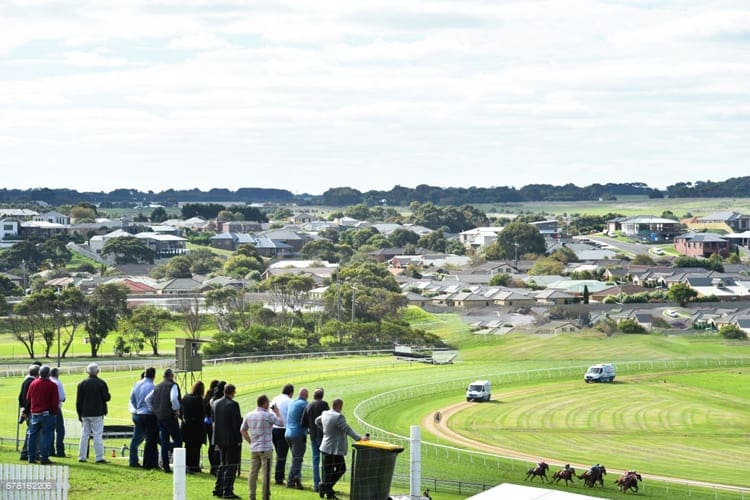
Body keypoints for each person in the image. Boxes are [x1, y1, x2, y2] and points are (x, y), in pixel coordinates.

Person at [315, 398, 369, 499]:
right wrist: (359, 438)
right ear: (340, 406)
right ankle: (325, 487)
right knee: (341, 469)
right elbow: (347, 429)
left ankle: (328, 491)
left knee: (328, 471)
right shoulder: (339, 417)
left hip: (325, 447)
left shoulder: (325, 413)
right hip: (334, 449)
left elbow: (317, 421)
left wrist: (325, 432)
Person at [240, 394, 282, 500]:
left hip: (254, 448)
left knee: (253, 473)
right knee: (266, 475)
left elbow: (242, 430)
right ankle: (265, 497)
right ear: (265, 403)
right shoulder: (268, 415)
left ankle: (252, 496)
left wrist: (251, 441)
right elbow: (281, 423)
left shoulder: (249, 414)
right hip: (266, 449)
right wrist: (276, 411)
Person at [146, 368, 182, 473]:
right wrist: (177, 410)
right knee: (178, 440)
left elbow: (147, 399)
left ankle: (166, 466)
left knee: (164, 442)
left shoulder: (157, 386)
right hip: (170, 417)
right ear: (172, 376)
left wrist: (155, 410)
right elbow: (174, 399)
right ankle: (178, 465)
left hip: (160, 418)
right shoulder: (173, 385)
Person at [76, 362, 111, 464]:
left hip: (85, 413)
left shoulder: (81, 384)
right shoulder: (101, 383)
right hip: (97, 412)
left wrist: (79, 415)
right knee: (97, 435)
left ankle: (82, 456)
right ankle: (99, 457)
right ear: (97, 371)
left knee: (84, 435)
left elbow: (78, 401)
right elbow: (106, 397)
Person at [212, 384, 242, 499]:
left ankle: (218, 488)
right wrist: (239, 439)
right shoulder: (233, 405)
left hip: (219, 439)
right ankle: (227, 491)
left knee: (222, 464)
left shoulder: (216, 403)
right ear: (232, 392)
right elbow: (236, 425)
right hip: (231, 440)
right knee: (231, 466)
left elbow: (214, 422)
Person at [26, 365, 59, 465]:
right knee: (46, 435)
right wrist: (54, 412)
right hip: (47, 414)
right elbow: (55, 402)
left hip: (35, 413)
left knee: (32, 436)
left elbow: (28, 398)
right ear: (49, 374)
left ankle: (31, 457)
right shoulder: (52, 385)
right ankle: (44, 457)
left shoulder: (33, 383)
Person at [129, 367, 158, 469]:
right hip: (148, 414)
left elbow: (132, 399)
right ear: (154, 376)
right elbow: (150, 401)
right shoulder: (152, 386)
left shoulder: (137, 384)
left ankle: (133, 460)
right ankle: (150, 462)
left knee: (136, 439)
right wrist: (153, 410)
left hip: (138, 414)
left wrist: (137, 408)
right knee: (151, 439)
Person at [302, 388, 329, 493]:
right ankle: (324, 484)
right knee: (325, 461)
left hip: (313, 435)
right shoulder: (324, 405)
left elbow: (303, 422)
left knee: (316, 460)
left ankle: (316, 484)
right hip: (323, 436)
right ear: (322, 396)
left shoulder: (308, 405)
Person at [284, 387, 309, 489]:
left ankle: (297, 479)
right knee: (297, 459)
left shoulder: (292, 403)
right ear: (306, 396)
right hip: (298, 434)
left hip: (288, 433)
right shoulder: (305, 404)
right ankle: (290, 482)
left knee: (296, 458)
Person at [181, 380, 207, 473]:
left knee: (187, 446)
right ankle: (194, 466)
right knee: (196, 448)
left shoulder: (185, 397)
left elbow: (181, 410)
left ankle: (186, 464)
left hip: (186, 425)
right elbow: (202, 414)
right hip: (196, 427)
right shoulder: (199, 400)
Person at [270, 383, 293, 485]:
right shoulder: (290, 401)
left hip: (273, 429)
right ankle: (279, 477)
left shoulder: (275, 398)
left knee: (279, 454)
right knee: (282, 455)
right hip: (283, 429)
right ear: (291, 393)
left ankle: (278, 475)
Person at [18, 362, 41, 461]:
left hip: (27, 409)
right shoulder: (33, 383)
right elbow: (30, 399)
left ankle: (26, 452)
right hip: (31, 410)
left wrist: (23, 409)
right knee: (33, 433)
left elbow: (20, 397)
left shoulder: (25, 381)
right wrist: (27, 410)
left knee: (30, 432)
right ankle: (29, 453)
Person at [48, 368, 67, 458]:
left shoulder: (48, 381)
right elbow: (62, 397)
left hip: (46, 408)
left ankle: (50, 450)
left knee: (50, 429)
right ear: (57, 374)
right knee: (60, 430)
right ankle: (60, 451)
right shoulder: (57, 382)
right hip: (56, 408)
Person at [204, 380, 220, 476]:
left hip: (207, 423)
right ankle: (215, 467)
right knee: (215, 446)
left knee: (211, 445)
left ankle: (212, 467)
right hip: (213, 423)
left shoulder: (206, 396)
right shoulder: (214, 398)